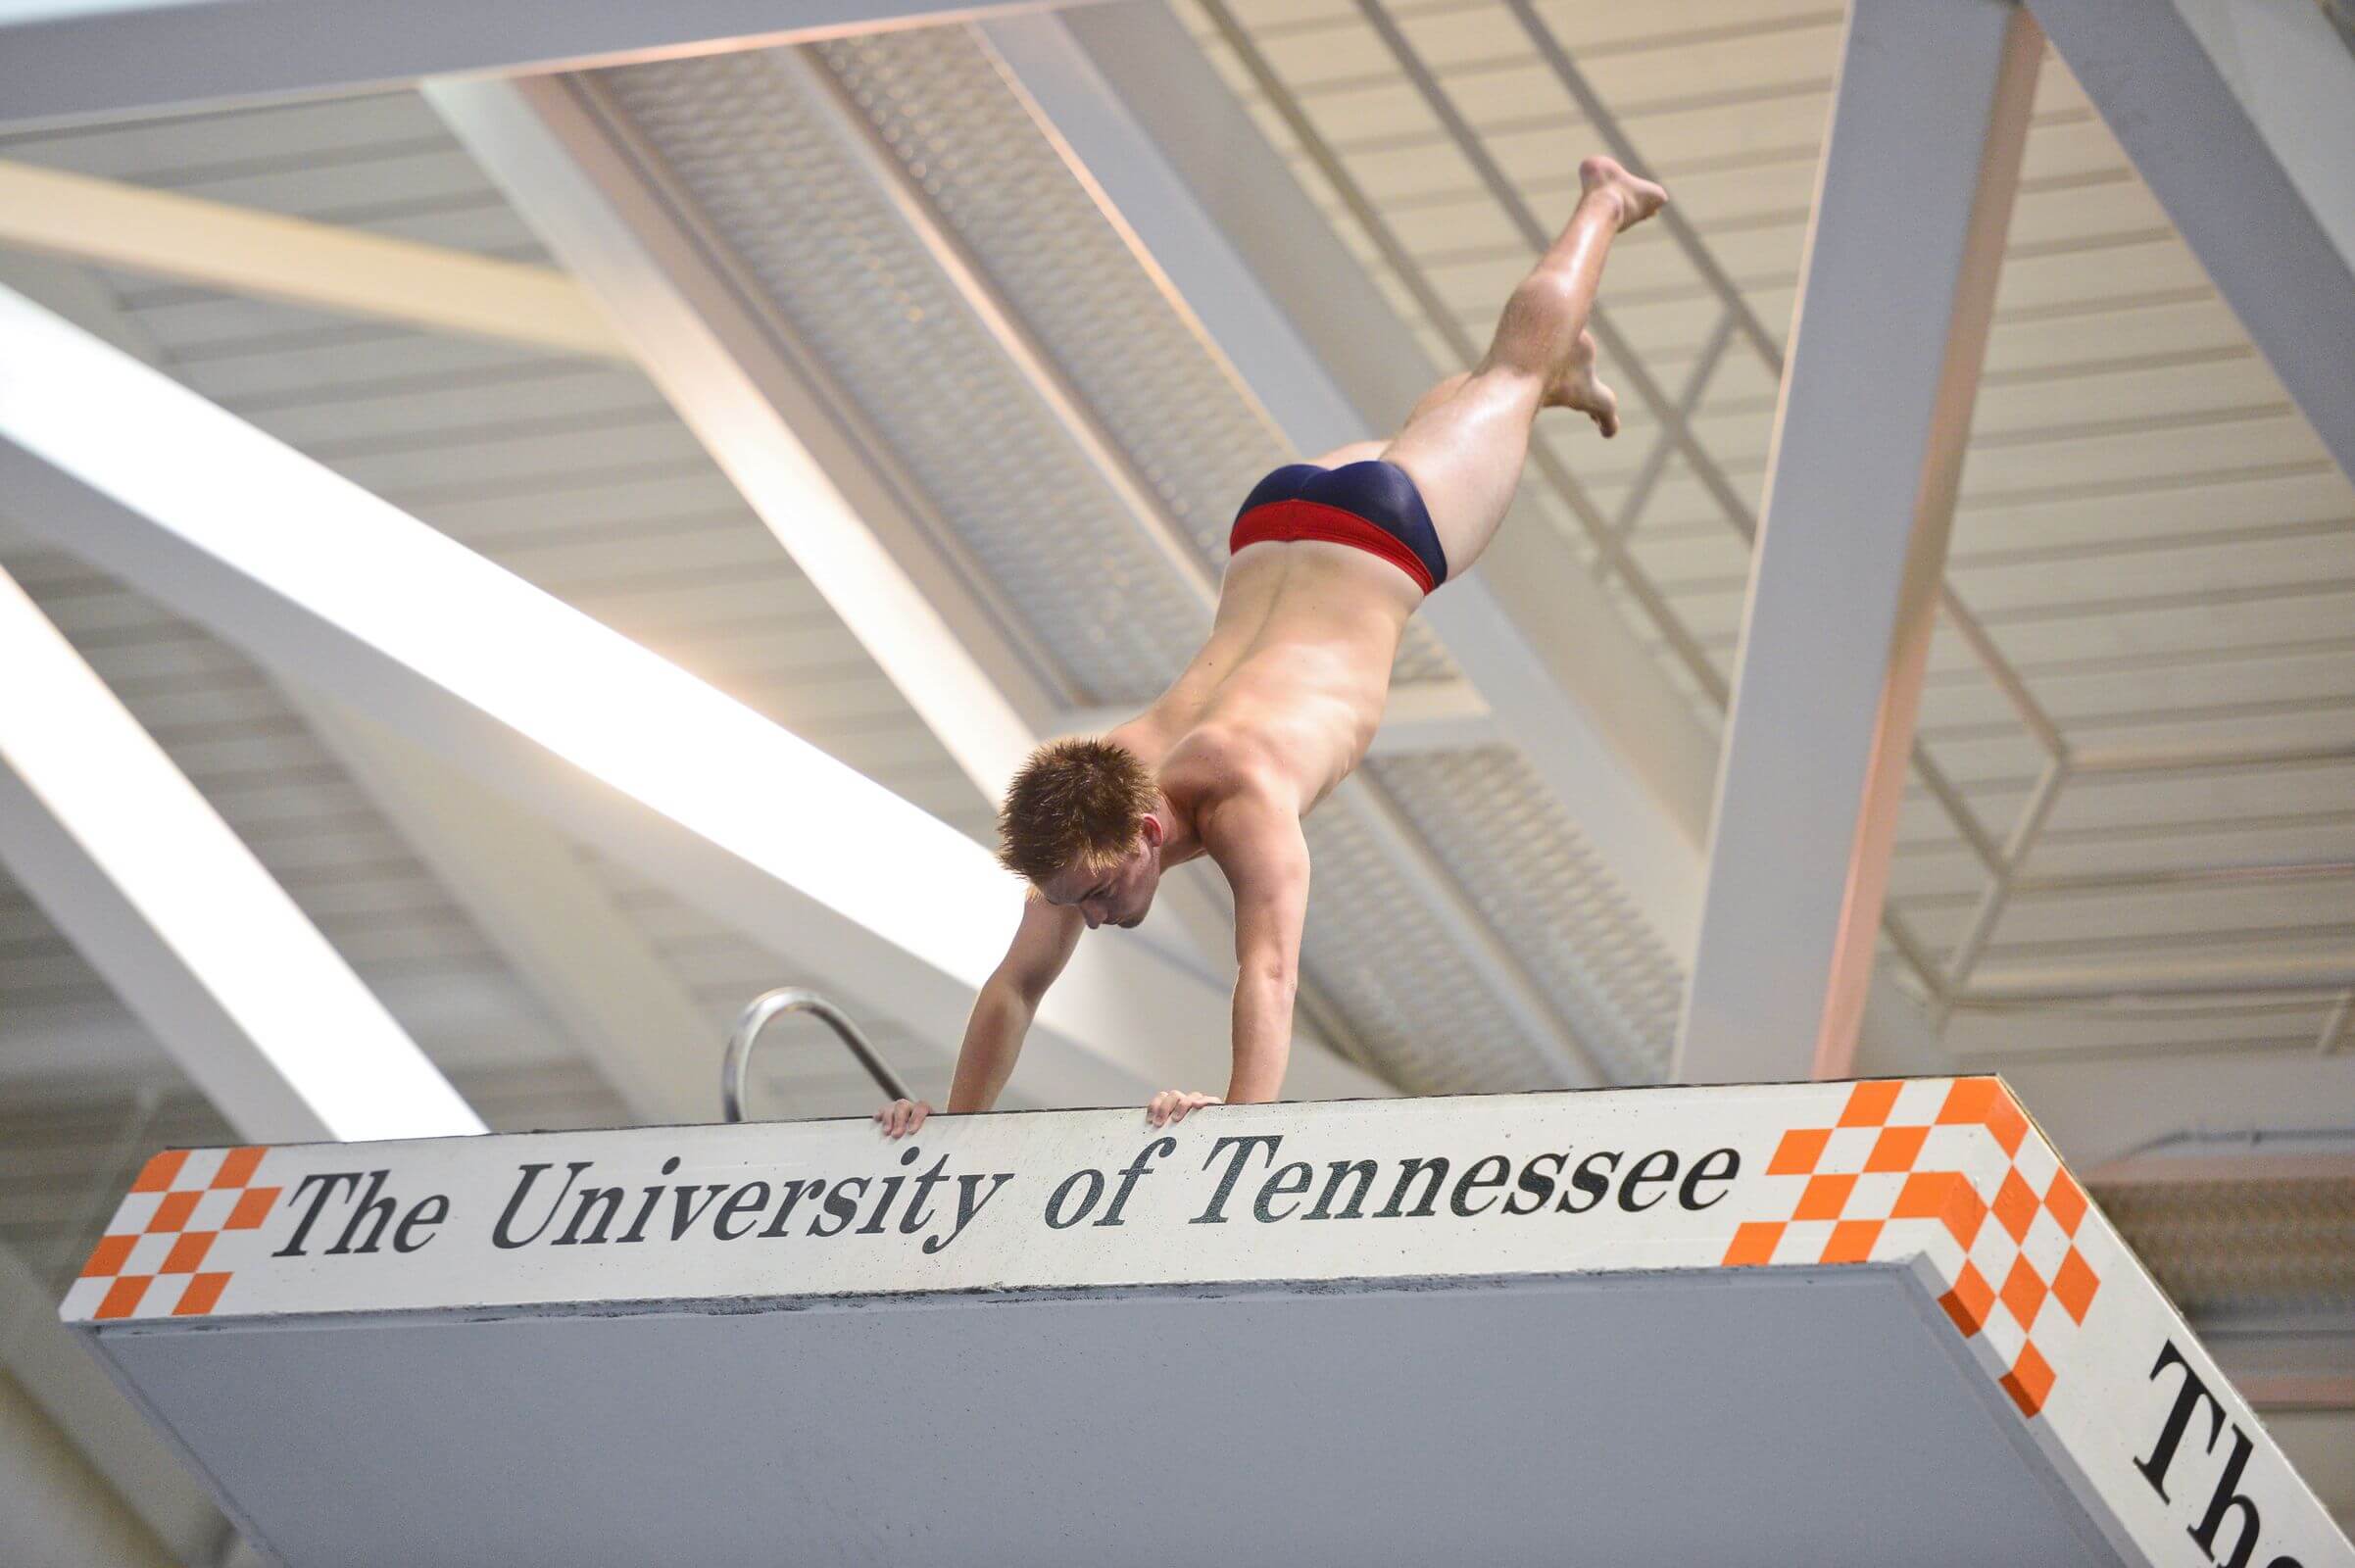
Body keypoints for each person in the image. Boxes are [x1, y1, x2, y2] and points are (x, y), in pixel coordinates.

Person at [877, 155, 1666, 1139]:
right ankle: (1559, 378)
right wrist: (953, 1130)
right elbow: (1012, 987)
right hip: (1277, 520)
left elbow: (1272, 966)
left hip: (1387, 534)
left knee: (1506, 367)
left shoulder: (1240, 791)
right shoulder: (1091, 805)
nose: (1084, 917)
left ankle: (1604, 200)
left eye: (1091, 894)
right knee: (1462, 417)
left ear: (1151, 834)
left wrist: (1242, 1124)